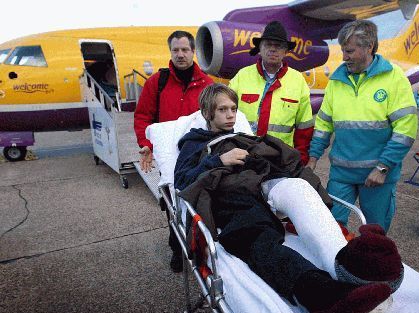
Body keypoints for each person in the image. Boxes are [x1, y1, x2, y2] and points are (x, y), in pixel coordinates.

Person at [174, 83, 404, 313]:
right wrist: (218, 161)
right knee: (257, 238)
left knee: (299, 188)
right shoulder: (194, 144)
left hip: (264, 180)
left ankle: (349, 271)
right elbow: (182, 181)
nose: (231, 115)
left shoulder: (242, 137)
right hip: (234, 195)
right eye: (223, 109)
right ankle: (326, 295)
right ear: (207, 113)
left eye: (233, 108)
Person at [307, 20, 417, 232]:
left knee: (374, 233)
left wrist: (383, 168)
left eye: (349, 51)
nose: (344, 57)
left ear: (369, 47)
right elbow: (323, 125)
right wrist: (312, 159)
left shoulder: (394, 78)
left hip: (376, 176)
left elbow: (405, 130)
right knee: (333, 229)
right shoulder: (337, 81)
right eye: (343, 51)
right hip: (341, 174)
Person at [133, 30, 213, 273]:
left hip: (199, 155)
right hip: (169, 158)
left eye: (185, 50)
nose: (180, 55)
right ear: (170, 52)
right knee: (172, 204)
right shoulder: (157, 82)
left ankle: (201, 248)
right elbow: (143, 116)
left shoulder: (207, 84)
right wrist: (145, 143)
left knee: (200, 202)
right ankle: (178, 249)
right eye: (175, 50)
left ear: (193, 52)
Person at [229, 21, 314, 165]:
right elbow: (225, 117)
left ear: (286, 51)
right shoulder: (241, 77)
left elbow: (304, 129)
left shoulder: (298, 81)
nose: (273, 50)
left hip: (280, 159)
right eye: (268, 44)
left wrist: (300, 160)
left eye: (278, 46)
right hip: (244, 157)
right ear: (260, 48)